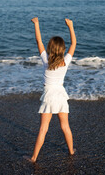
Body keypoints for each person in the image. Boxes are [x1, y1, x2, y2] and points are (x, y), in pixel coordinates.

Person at [25, 17, 77, 163]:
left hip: (48, 96)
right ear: (63, 50)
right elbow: (74, 43)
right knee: (65, 126)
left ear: (49, 48)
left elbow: (38, 42)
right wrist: (71, 26)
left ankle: (34, 157)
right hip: (60, 95)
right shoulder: (65, 62)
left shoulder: (46, 60)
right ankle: (71, 151)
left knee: (43, 129)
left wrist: (36, 24)